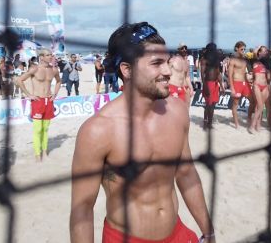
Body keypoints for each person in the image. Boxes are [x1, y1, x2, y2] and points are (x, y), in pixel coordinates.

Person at [70, 22, 214, 243]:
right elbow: (82, 209)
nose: (167, 71)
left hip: (177, 233)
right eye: (156, 63)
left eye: (166, 62)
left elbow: (186, 174)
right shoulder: (98, 131)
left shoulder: (176, 110)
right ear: (127, 70)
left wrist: (208, 232)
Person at [16, 48, 61, 162]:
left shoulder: (54, 69)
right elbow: (19, 80)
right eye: (47, 55)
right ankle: (37, 154)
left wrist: (55, 94)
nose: (50, 57)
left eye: (51, 55)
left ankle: (44, 152)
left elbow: (59, 81)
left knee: (45, 129)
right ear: (41, 57)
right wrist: (28, 95)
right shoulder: (34, 68)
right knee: (38, 129)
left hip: (49, 101)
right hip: (38, 101)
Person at [228, 41, 254, 129]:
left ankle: (249, 118)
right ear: (236, 49)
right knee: (235, 104)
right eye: (242, 49)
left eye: (244, 49)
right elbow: (230, 75)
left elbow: (244, 72)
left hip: (245, 83)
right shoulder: (233, 60)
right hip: (236, 83)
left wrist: (249, 81)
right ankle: (236, 124)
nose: (243, 50)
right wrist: (232, 88)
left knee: (253, 101)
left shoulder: (244, 59)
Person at [249, 46, 271, 133]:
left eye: (266, 51)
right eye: (263, 51)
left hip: (265, 86)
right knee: (260, 106)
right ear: (259, 52)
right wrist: (259, 47)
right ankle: (252, 126)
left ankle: (258, 125)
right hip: (257, 85)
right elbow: (254, 52)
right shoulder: (255, 60)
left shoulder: (267, 63)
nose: (265, 52)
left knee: (259, 107)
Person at [202, 43, 224, 130]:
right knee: (209, 105)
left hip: (215, 84)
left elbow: (218, 74)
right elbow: (202, 74)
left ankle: (208, 122)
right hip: (208, 83)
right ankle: (206, 122)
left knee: (212, 104)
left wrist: (222, 86)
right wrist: (205, 86)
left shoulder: (216, 61)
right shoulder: (204, 60)